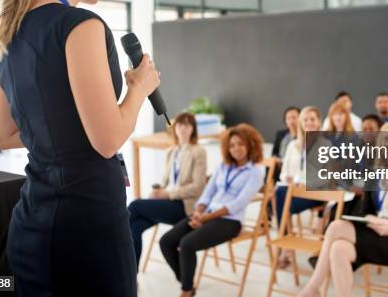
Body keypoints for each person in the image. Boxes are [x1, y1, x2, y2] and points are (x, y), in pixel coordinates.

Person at [0, 0, 160, 296]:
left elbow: (6, 134)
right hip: (88, 228)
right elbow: (107, 139)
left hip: (32, 224)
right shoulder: (81, 25)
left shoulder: (10, 30)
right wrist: (139, 88)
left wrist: (67, 140)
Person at [298, 121, 388, 297]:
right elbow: (365, 211)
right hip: (373, 234)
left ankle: (311, 289)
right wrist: (375, 220)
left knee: (336, 227)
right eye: (386, 140)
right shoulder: (374, 172)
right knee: (338, 248)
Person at [159, 124, 265, 297]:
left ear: (250, 144)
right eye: (232, 145)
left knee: (186, 244)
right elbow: (207, 194)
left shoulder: (255, 172)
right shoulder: (223, 167)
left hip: (230, 221)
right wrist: (199, 212)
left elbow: (238, 204)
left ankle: (186, 290)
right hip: (205, 214)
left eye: (240, 143)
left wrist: (205, 218)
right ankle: (186, 280)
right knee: (166, 241)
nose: (236, 148)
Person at [128, 113, 207, 266]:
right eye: (180, 125)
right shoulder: (172, 151)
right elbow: (165, 182)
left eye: (187, 125)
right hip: (168, 203)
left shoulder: (198, 151)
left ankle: (112, 235)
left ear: (193, 129)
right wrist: (157, 191)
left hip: (184, 207)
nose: (183, 128)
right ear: (174, 128)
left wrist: (167, 194)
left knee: (135, 206)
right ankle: (132, 277)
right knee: (135, 228)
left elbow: (198, 187)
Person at [276, 106, 331, 267]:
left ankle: (283, 244)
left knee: (281, 200)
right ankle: (285, 244)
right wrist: (288, 178)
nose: (309, 123)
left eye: (312, 119)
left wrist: (303, 182)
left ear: (319, 122)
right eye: (305, 120)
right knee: (280, 192)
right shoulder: (293, 145)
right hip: (292, 191)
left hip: (316, 193)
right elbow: (283, 173)